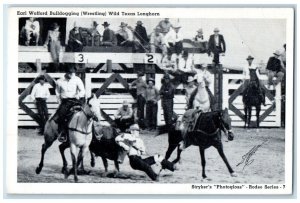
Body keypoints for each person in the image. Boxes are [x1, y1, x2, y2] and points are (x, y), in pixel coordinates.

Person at [53, 65, 85, 142]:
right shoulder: (59, 81)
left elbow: (83, 91)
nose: (72, 75)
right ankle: (63, 133)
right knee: (61, 115)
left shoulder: (77, 79)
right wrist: (59, 102)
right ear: (66, 73)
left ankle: (89, 132)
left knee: (86, 113)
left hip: (75, 100)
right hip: (65, 101)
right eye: (70, 73)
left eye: (73, 73)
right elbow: (57, 93)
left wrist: (78, 95)